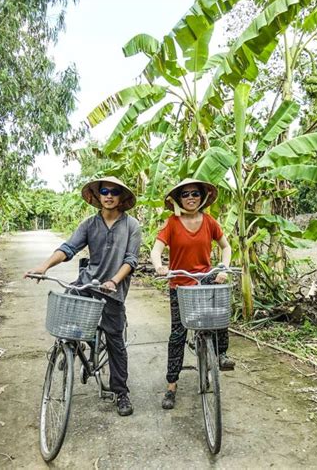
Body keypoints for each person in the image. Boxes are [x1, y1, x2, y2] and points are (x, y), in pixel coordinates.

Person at [25, 176, 141, 416]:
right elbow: (68, 248)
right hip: (88, 284)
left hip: (113, 290)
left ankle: (121, 392)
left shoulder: (132, 226)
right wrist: (44, 266)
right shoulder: (89, 224)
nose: (109, 195)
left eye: (114, 192)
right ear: (98, 196)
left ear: (121, 197)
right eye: (105, 191)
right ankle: (73, 349)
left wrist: (114, 281)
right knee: (70, 321)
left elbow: (131, 260)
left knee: (115, 341)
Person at [150, 178, 234, 410]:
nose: (190, 198)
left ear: (202, 197)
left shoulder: (209, 221)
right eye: (185, 194)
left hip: (206, 279)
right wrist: (160, 266)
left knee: (219, 313)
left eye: (195, 194)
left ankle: (222, 353)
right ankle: (171, 386)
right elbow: (156, 250)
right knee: (177, 335)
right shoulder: (172, 223)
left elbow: (225, 246)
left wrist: (223, 268)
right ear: (179, 199)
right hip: (180, 283)